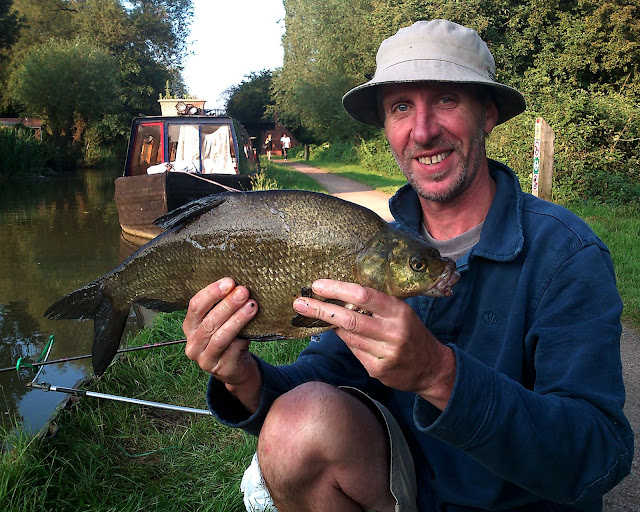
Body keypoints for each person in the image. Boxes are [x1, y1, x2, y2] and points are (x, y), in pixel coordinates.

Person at [183, 20, 633, 512]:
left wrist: (439, 374)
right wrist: (243, 379)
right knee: (295, 428)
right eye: (401, 107)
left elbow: (600, 457)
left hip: (527, 502)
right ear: (387, 126)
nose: (422, 130)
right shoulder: (377, 247)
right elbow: (324, 376)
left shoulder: (566, 253)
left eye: (446, 99)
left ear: (488, 114)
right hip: (403, 491)